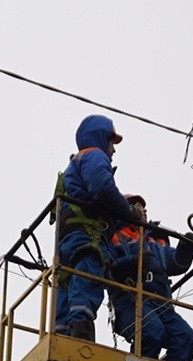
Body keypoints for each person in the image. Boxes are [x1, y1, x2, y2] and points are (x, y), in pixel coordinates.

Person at [53, 115, 142, 341]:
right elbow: (102, 189)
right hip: (87, 236)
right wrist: (129, 213)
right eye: (112, 143)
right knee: (87, 276)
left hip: (68, 239)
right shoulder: (95, 156)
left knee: (67, 281)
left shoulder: (74, 164)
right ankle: (81, 333)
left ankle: (62, 337)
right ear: (103, 138)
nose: (113, 150)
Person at [107, 194, 193, 361]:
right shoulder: (113, 235)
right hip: (130, 300)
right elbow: (109, 268)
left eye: (143, 207)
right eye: (137, 206)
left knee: (186, 338)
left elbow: (175, 263)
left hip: (161, 304)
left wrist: (187, 249)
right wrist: (133, 262)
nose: (144, 210)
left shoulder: (155, 238)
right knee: (150, 332)